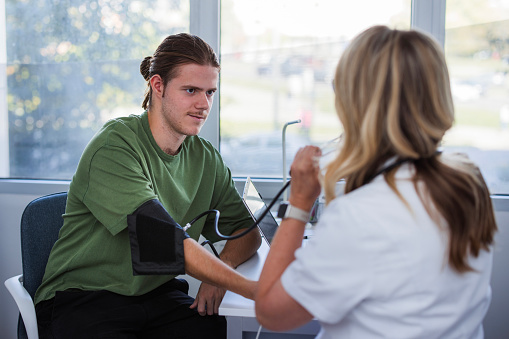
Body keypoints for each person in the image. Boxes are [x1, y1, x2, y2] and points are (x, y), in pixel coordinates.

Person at [255, 26, 497, 338]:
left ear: (356, 107)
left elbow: (270, 312)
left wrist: (300, 203)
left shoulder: (361, 216)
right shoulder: (468, 181)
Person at [34, 33, 261, 339]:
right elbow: (163, 241)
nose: (203, 104)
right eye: (190, 90)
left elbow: (248, 232)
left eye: (210, 92)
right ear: (158, 86)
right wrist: (252, 289)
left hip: (157, 295)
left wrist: (223, 272)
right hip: (85, 298)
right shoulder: (114, 146)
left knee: (208, 326)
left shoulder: (205, 158)